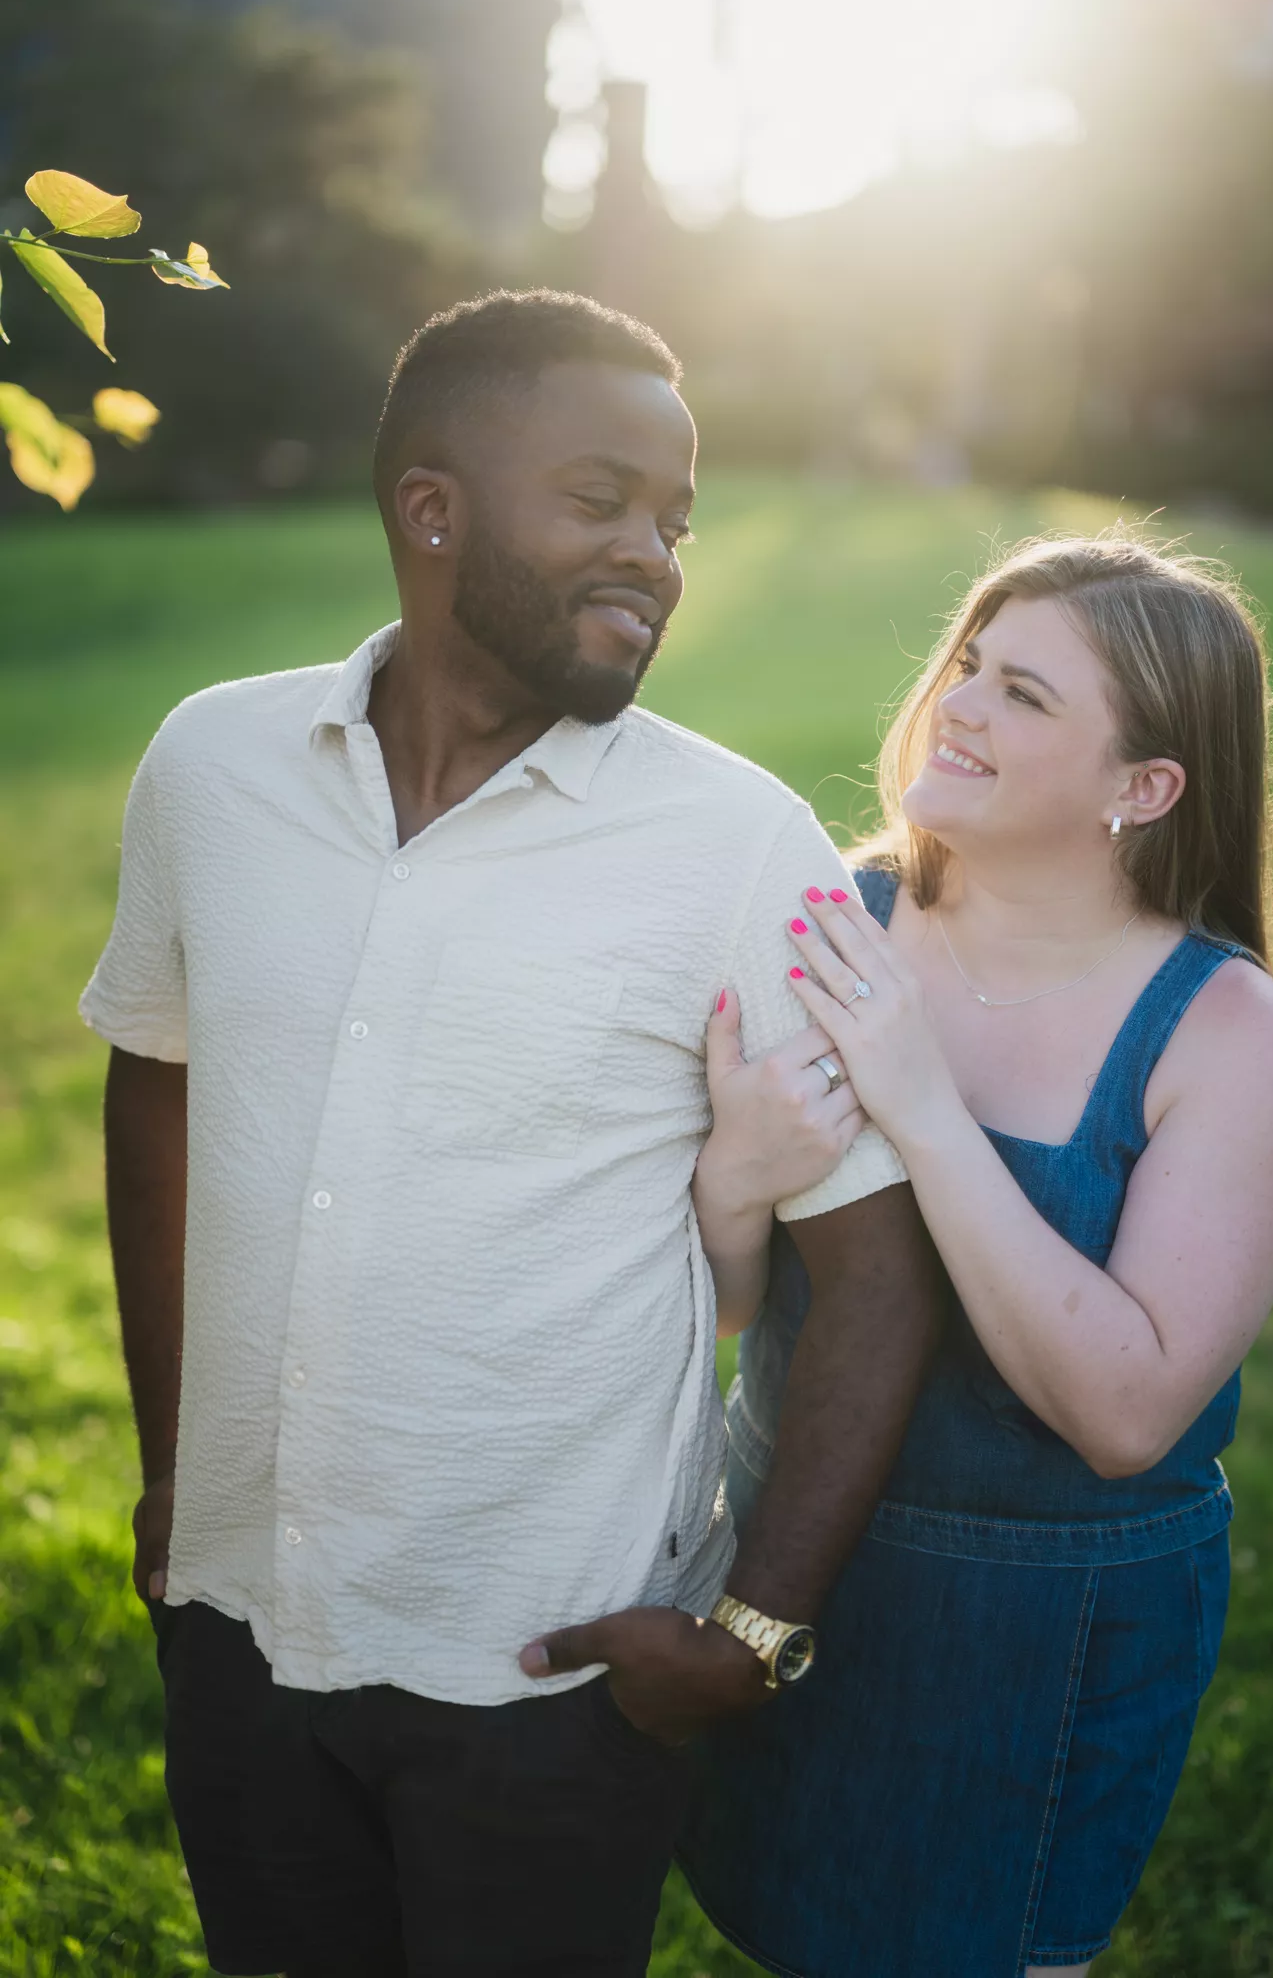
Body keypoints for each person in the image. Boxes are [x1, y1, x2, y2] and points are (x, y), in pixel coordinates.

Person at [81, 288, 943, 1978]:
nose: (656, 556)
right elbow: (157, 1080)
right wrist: (174, 1462)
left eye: (677, 522)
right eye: (600, 500)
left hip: (552, 1686)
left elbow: (882, 1279)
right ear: (431, 508)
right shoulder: (211, 767)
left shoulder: (733, 842)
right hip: (239, 1631)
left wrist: (753, 1633)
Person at [680, 536, 1273, 1978]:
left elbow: (1125, 1413)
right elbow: (726, 1309)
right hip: (785, 1546)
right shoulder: (832, 920)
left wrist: (919, 1106)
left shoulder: (1227, 1035)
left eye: (1026, 696)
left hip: (1045, 1622)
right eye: (969, 663)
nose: (957, 704)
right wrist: (738, 1177)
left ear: (1142, 789)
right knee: (772, 1930)